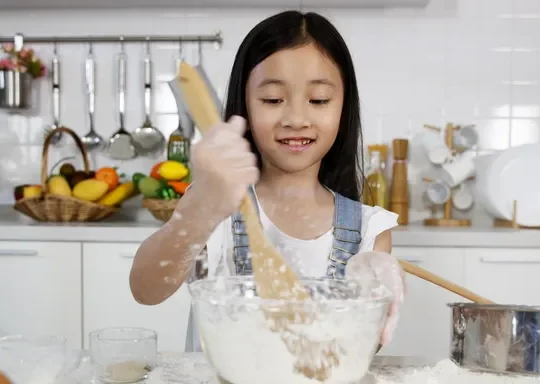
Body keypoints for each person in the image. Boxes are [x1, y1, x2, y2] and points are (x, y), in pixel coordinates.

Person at [129, 9, 405, 352]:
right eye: (273, 100)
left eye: (319, 100)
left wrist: (370, 299)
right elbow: (146, 289)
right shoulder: (218, 208)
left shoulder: (368, 229)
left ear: (343, 107)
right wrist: (198, 212)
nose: (296, 118)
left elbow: (365, 348)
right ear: (245, 104)